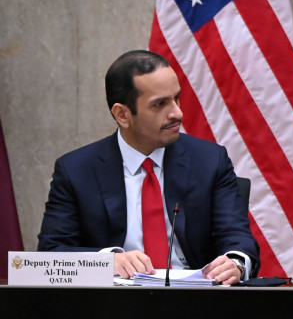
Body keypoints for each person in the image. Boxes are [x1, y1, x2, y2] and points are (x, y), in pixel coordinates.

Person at [38, 50, 259, 284]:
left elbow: (236, 236)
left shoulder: (210, 160)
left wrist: (235, 262)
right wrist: (107, 262)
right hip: (111, 305)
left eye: (176, 98)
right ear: (122, 114)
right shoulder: (76, 170)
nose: (177, 113)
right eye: (160, 104)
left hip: (196, 301)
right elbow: (51, 253)